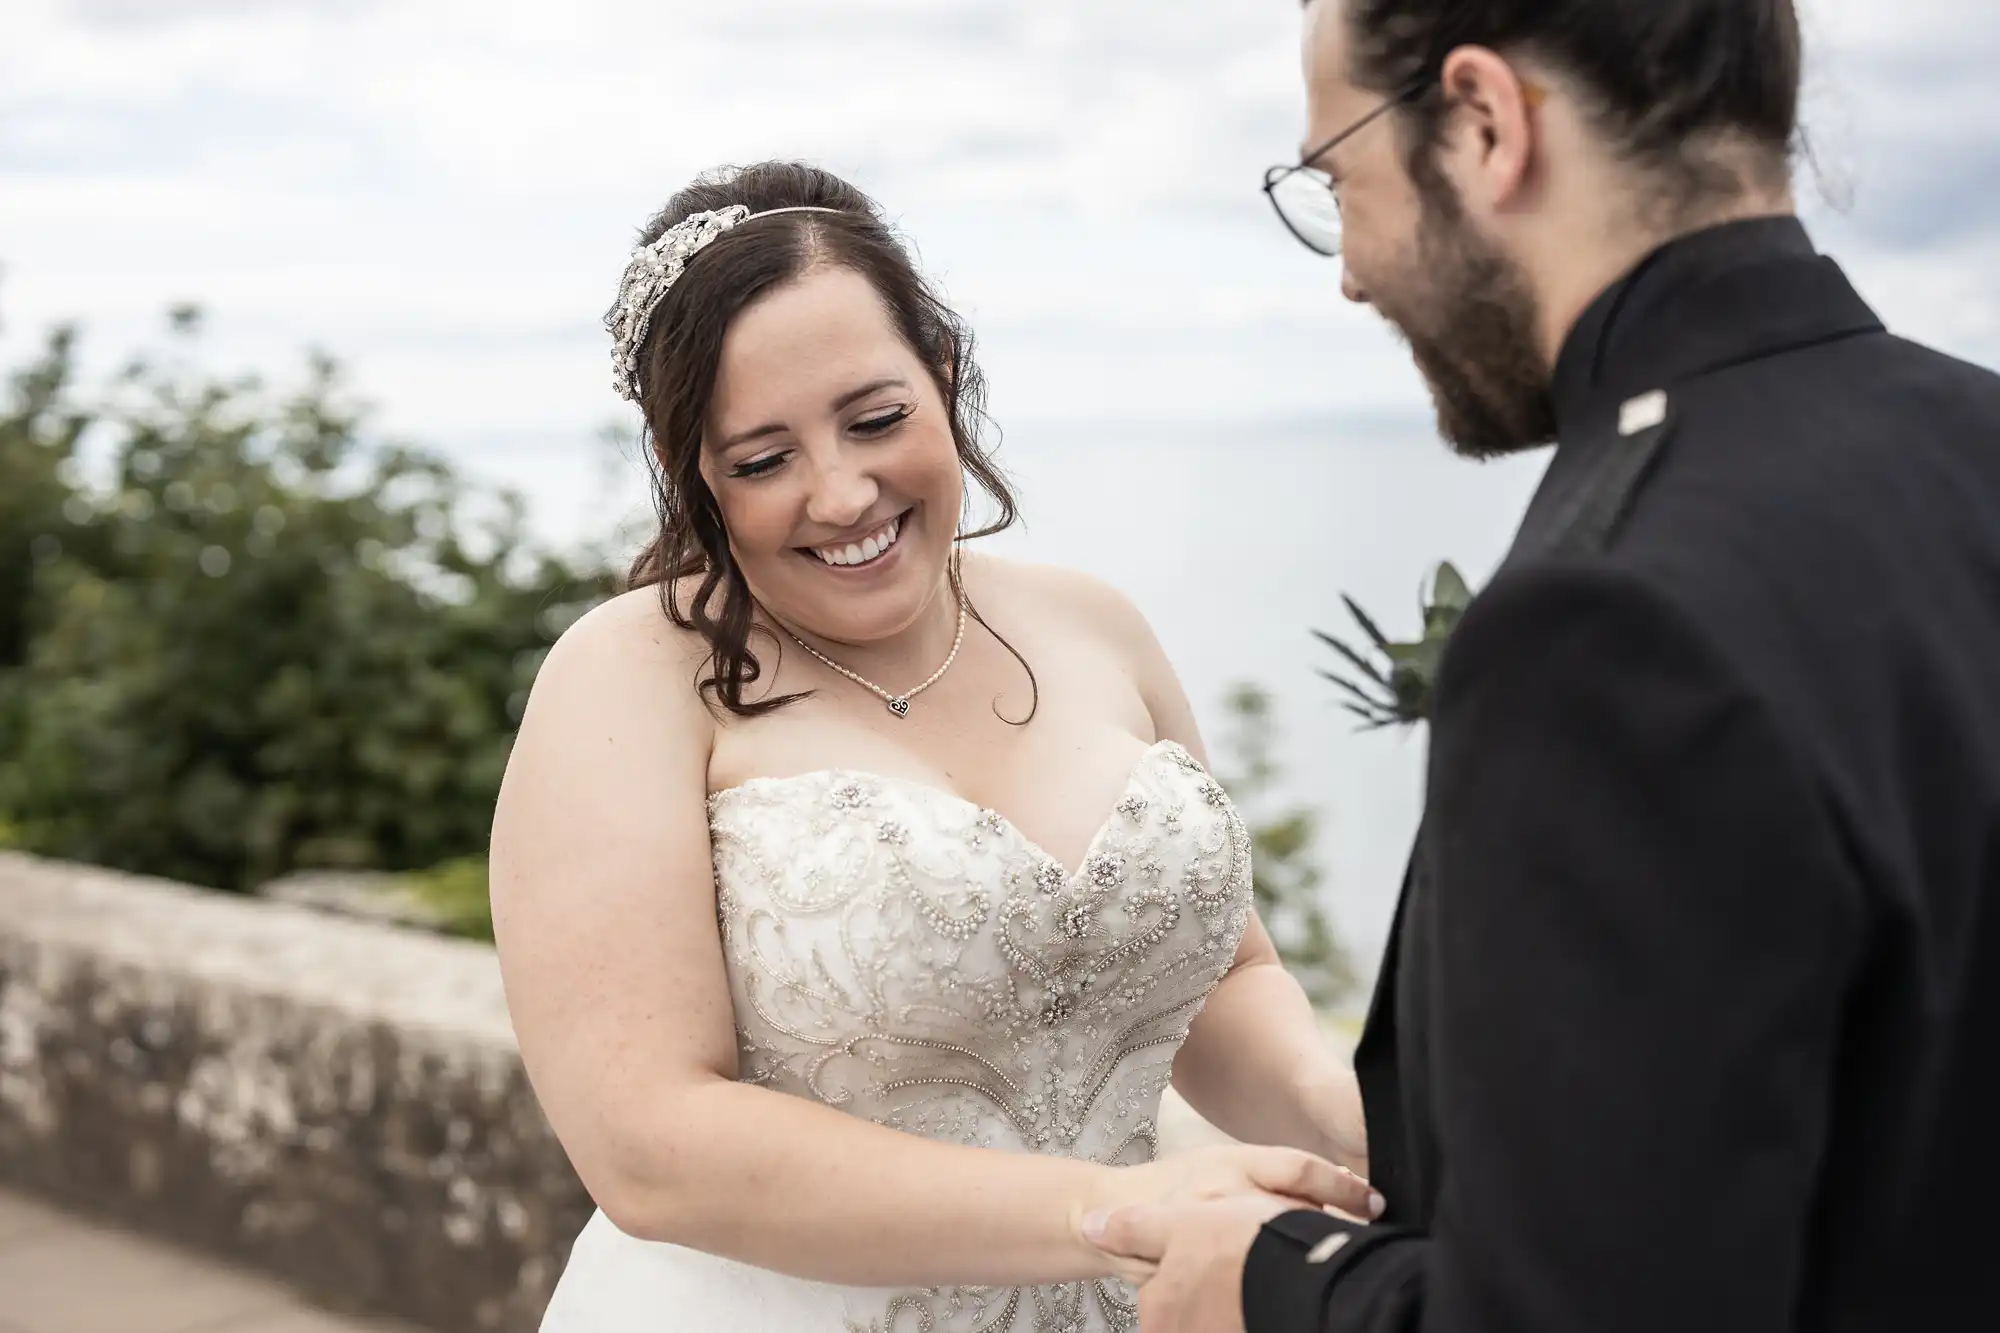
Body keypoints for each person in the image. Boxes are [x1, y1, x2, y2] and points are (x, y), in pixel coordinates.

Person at [1084, 1, 2000, 1330]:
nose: (1350, 270)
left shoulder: (1609, 625)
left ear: (1482, 122)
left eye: (1338, 176)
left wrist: (1279, 1281)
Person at [490, 160, 1378, 1332]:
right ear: (689, 472)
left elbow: (1222, 978)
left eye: (876, 418)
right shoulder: (630, 676)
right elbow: (649, 1146)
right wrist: (1111, 1214)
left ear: (942, 377)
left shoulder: (1093, 624)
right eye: (761, 460)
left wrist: (1370, 1140)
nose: (843, 492)